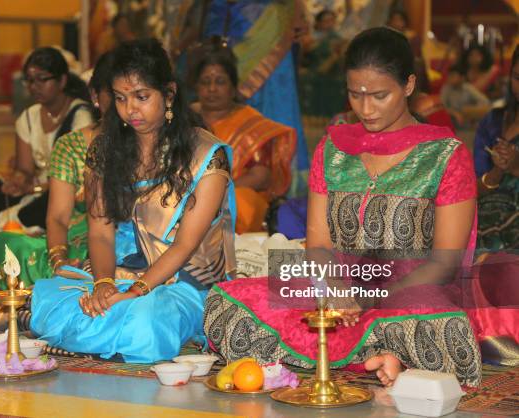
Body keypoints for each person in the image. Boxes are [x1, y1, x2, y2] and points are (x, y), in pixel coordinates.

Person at [203, 27, 483, 388]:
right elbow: (317, 245)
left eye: (380, 95)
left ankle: (364, 354)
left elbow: (444, 262)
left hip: (410, 291)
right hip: (337, 287)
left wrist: (372, 299)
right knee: (229, 301)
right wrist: (335, 288)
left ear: (409, 85)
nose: (365, 109)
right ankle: (381, 358)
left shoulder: (446, 155)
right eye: (355, 94)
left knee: (438, 324)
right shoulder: (334, 148)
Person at [5, 39, 236, 363]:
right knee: (51, 301)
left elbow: (184, 246)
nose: (130, 109)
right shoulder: (104, 151)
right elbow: (100, 233)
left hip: (184, 280)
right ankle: (104, 327)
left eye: (142, 97)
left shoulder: (206, 157)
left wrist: (134, 291)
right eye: (120, 98)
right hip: (119, 270)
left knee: (146, 324)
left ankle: (96, 332)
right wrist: (103, 284)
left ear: (168, 94)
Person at [0, 52, 116, 289]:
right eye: (117, 95)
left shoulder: (148, 141)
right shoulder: (71, 143)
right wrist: (58, 261)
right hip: (76, 231)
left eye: (138, 96)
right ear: (95, 96)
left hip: (123, 242)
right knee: (0, 242)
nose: (127, 105)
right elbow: (56, 217)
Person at [0, 47, 94, 228]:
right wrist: (17, 181)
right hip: (33, 191)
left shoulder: (81, 116)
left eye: (42, 79)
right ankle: (12, 216)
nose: (34, 87)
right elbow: (24, 169)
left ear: (62, 80)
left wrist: (33, 189)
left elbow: (78, 179)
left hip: (65, 191)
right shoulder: (28, 117)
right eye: (30, 81)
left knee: (52, 202)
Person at [191, 45, 296, 234]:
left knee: (241, 202)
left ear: (233, 87)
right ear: (196, 87)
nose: (212, 88)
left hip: (235, 192)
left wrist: (215, 191)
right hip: (189, 192)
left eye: (220, 81)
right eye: (205, 82)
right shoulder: (185, 118)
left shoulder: (251, 124)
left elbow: (260, 176)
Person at [473, 45, 519, 251]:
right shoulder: (493, 121)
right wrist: (498, 171)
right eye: (518, 78)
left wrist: (516, 167)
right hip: (486, 214)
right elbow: (472, 189)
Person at [299, 9, 347, 119]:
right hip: (313, 72)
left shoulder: (339, 39)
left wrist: (336, 55)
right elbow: (303, 59)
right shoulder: (310, 39)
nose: (329, 24)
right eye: (326, 21)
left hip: (334, 74)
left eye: (331, 21)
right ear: (318, 23)